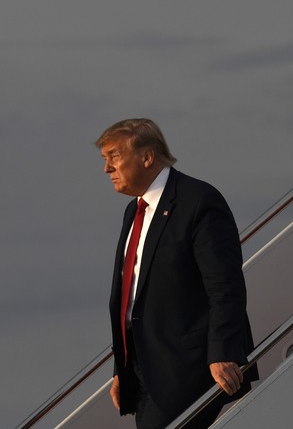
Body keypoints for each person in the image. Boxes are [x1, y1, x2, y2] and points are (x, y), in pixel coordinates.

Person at [97, 118, 257, 429]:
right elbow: (133, 296)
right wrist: (123, 369)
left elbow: (225, 285)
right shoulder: (134, 211)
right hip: (145, 373)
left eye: (114, 156)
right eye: (106, 159)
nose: (107, 169)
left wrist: (223, 352)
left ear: (147, 157)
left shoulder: (197, 201)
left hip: (189, 368)